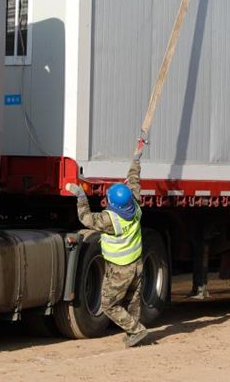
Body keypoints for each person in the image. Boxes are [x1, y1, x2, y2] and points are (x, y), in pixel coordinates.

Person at [65, 143, 149, 348]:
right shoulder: (135, 205)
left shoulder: (110, 220)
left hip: (121, 268)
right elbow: (133, 181)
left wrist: (81, 196)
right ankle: (133, 332)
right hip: (136, 263)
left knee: (108, 305)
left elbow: (85, 218)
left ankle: (136, 330)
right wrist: (136, 159)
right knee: (132, 299)